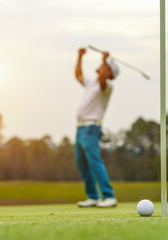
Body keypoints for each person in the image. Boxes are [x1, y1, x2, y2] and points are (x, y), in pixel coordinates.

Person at [74, 47, 119, 208]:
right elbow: (78, 75)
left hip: (91, 128)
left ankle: (108, 195)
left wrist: (104, 60)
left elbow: (102, 80)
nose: (101, 68)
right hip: (80, 129)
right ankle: (92, 196)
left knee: (94, 161)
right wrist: (80, 57)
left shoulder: (106, 86)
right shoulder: (91, 83)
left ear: (109, 73)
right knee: (82, 164)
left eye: (105, 68)